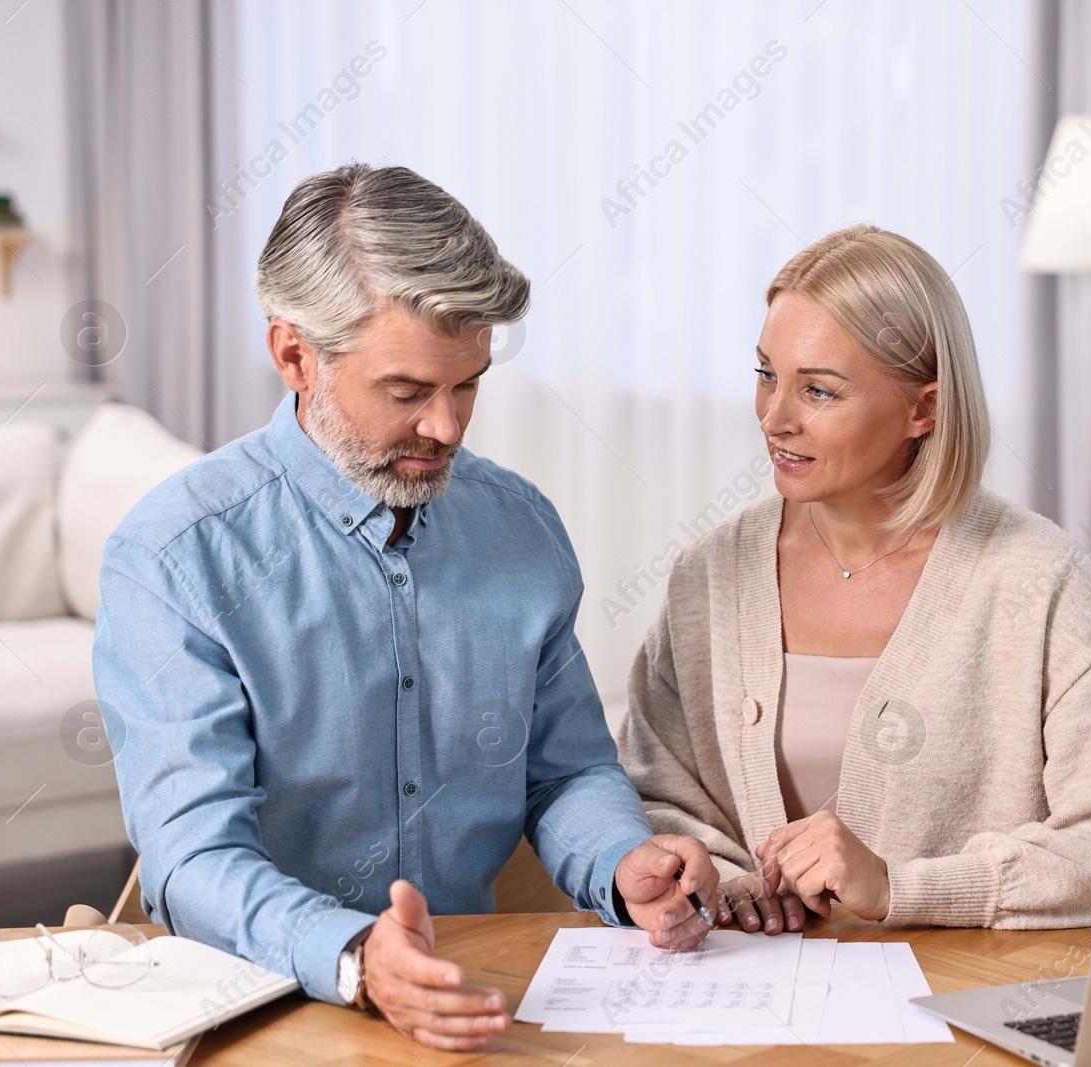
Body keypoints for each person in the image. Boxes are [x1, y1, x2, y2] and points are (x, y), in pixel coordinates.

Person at [93, 163, 717, 1052]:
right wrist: (352, 953)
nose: (449, 427)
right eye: (407, 391)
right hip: (259, 1002)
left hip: (472, 996)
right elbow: (192, 857)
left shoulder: (520, 527)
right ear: (293, 354)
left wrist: (624, 863)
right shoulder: (175, 556)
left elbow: (567, 770)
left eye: (467, 384)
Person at [615, 224, 1091, 937]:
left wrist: (899, 885)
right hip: (747, 1002)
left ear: (924, 408)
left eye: (818, 390)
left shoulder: (1039, 580)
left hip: (960, 1005)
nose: (774, 418)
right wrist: (725, 879)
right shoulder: (711, 574)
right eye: (766, 374)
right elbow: (653, 791)